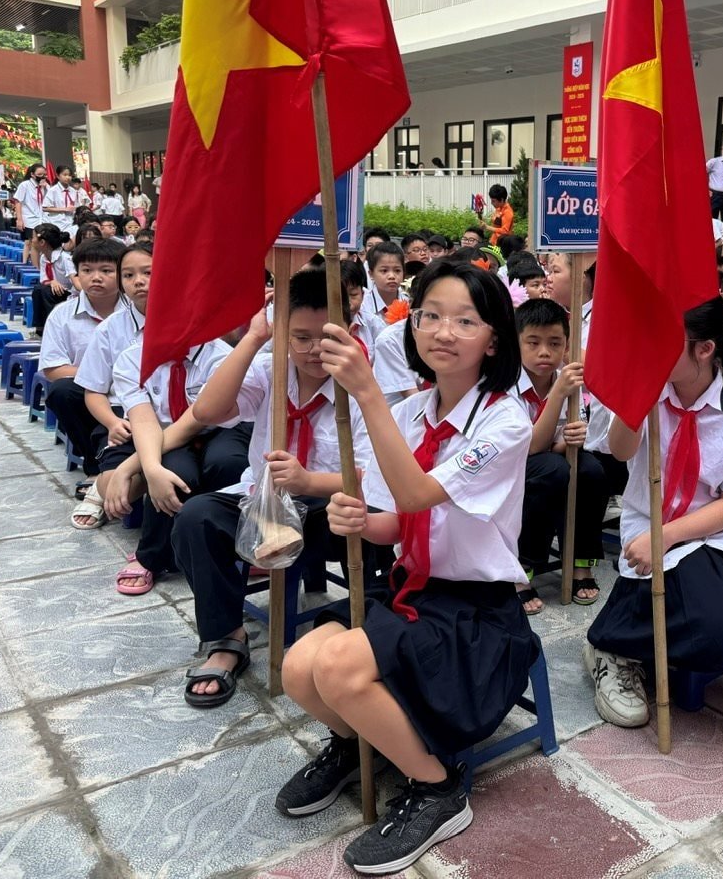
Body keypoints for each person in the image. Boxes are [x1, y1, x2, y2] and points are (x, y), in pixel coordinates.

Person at [274, 258, 540, 874]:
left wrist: (365, 391)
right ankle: (354, 742)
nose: (444, 331)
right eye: (430, 316)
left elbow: (420, 493)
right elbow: (399, 520)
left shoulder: (505, 419)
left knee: (338, 666)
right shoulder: (410, 412)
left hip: (477, 610)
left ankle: (439, 787)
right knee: (297, 666)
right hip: (409, 587)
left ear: (493, 337)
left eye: (465, 320)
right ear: (412, 326)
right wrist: (363, 522)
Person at [585, 297, 723, 726]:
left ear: (704, 349)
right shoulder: (651, 400)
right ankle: (611, 647)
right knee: (711, 617)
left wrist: (667, 538)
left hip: (716, 530)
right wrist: (637, 397)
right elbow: (619, 451)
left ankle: (637, 631)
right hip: (651, 520)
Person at [174, 270, 377, 707]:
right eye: (299, 337)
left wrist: (308, 481)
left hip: (326, 508)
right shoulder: (270, 369)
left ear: (348, 328)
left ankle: (347, 630)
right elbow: (208, 410)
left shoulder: (359, 384)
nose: (311, 351)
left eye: (323, 337)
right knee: (196, 518)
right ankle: (226, 637)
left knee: (376, 528)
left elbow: (369, 474)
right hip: (264, 501)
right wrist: (253, 338)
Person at [107, 331, 247, 595]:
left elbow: (195, 421)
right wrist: (152, 470)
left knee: (228, 463)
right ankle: (151, 556)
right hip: (164, 436)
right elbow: (144, 420)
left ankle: (235, 545)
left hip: (219, 428)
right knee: (174, 473)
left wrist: (128, 468)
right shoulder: (133, 359)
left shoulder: (219, 356)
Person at [513, 298, 610, 612]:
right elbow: (529, 448)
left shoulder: (569, 380)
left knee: (590, 470)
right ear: (517, 344)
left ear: (567, 345)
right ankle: (521, 568)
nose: (545, 352)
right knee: (551, 470)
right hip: (510, 466)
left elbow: (558, 444)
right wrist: (557, 394)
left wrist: (572, 438)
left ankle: (580, 559)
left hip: (550, 458)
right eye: (533, 342)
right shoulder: (507, 384)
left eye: (554, 343)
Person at [71, 243, 153, 529]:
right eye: (128, 276)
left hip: (171, 416)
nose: (138, 281)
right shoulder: (110, 328)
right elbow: (93, 390)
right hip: (124, 415)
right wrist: (112, 423)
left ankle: (145, 467)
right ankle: (111, 481)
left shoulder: (187, 321)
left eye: (148, 272)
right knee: (115, 490)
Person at [36, 238, 125, 493]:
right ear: (77, 274)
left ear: (122, 273)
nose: (96, 277)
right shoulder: (62, 316)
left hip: (132, 391)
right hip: (87, 392)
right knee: (62, 392)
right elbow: (54, 369)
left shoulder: (138, 311)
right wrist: (99, 378)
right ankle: (95, 467)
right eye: (87, 270)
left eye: (106, 271)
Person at [31, 223, 75, 337]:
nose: (32, 240)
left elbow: (74, 281)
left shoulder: (65, 258)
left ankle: (54, 329)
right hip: (53, 290)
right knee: (39, 290)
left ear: (42, 242)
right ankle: (40, 329)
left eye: (34, 237)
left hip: (69, 293)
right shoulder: (44, 258)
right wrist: (52, 282)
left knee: (45, 291)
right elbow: (43, 279)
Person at [360, 240, 406, 324]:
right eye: (384, 271)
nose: (392, 276)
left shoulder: (409, 303)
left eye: (397, 270)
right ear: (371, 274)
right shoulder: (363, 307)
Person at [14, 163, 49, 264]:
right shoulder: (25, 185)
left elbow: (50, 199)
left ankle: (40, 263)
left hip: (43, 218)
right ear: (32, 174)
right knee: (29, 242)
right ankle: (25, 263)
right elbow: (18, 202)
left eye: (44, 174)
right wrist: (19, 219)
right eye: (40, 174)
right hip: (29, 218)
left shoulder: (45, 186)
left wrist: (47, 187)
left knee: (42, 242)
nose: (43, 176)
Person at [42, 165, 85, 239]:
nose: (67, 177)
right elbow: (45, 208)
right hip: (57, 222)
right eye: (65, 175)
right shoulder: (53, 191)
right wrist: (64, 209)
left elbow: (77, 206)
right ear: (58, 176)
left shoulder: (74, 191)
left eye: (69, 175)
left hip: (71, 222)